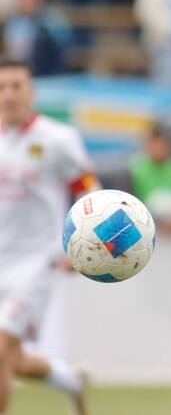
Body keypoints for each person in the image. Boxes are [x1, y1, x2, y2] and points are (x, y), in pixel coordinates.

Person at [0, 59, 94, 415]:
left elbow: (88, 190)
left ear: (31, 92)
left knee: (0, 353)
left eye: (16, 86)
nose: (8, 95)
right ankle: (71, 380)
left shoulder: (57, 139)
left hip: (35, 264)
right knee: (12, 359)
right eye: (2, 87)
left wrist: (80, 247)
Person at [129, 125, 171, 234]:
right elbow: (128, 202)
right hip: (144, 228)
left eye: (163, 144)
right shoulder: (135, 167)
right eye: (155, 144)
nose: (159, 148)